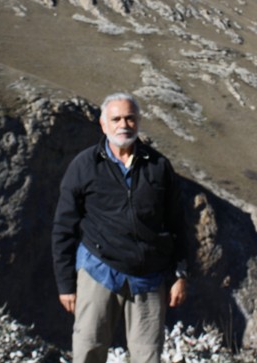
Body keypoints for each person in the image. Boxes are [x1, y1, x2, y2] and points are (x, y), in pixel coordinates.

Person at [52, 92, 188, 363]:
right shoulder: (85, 165)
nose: (123, 125)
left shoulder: (159, 166)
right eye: (116, 119)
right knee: (88, 349)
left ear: (138, 122)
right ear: (103, 125)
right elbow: (63, 227)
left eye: (130, 118)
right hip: (98, 270)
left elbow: (177, 224)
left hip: (149, 276)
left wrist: (180, 273)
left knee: (148, 355)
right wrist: (66, 283)